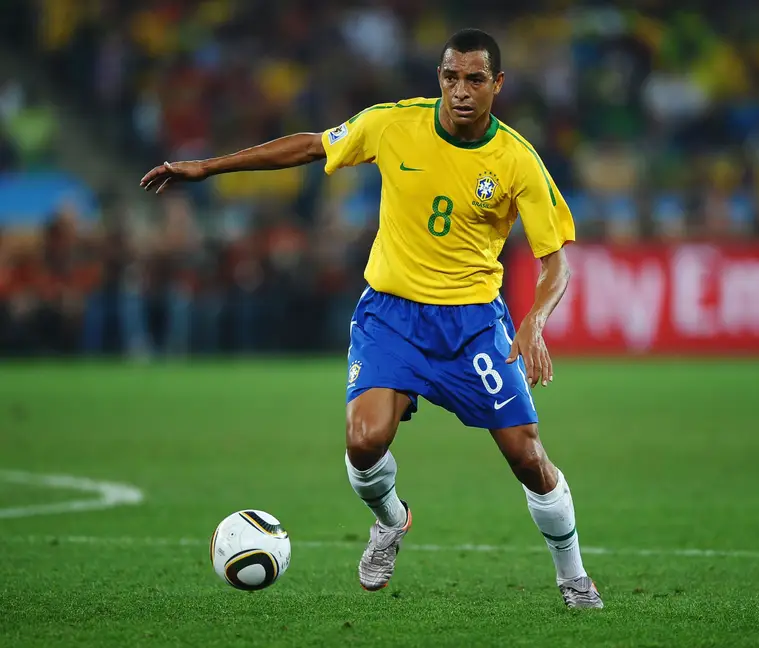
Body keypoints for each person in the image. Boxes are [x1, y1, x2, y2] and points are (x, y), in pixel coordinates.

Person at [140, 28, 602, 610]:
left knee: (528, 458)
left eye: (475, 79)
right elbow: (312, 145)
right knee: (363, 441)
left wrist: (534, 319)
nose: (461, 90)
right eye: (450, 77)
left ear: (497, 85)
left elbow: (554, 260)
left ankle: (573, 578)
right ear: (440, 77)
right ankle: (390, 520)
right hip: (391, 316)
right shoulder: (391, 123)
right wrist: (207, 168)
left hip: (473, 326)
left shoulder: (516, 160)